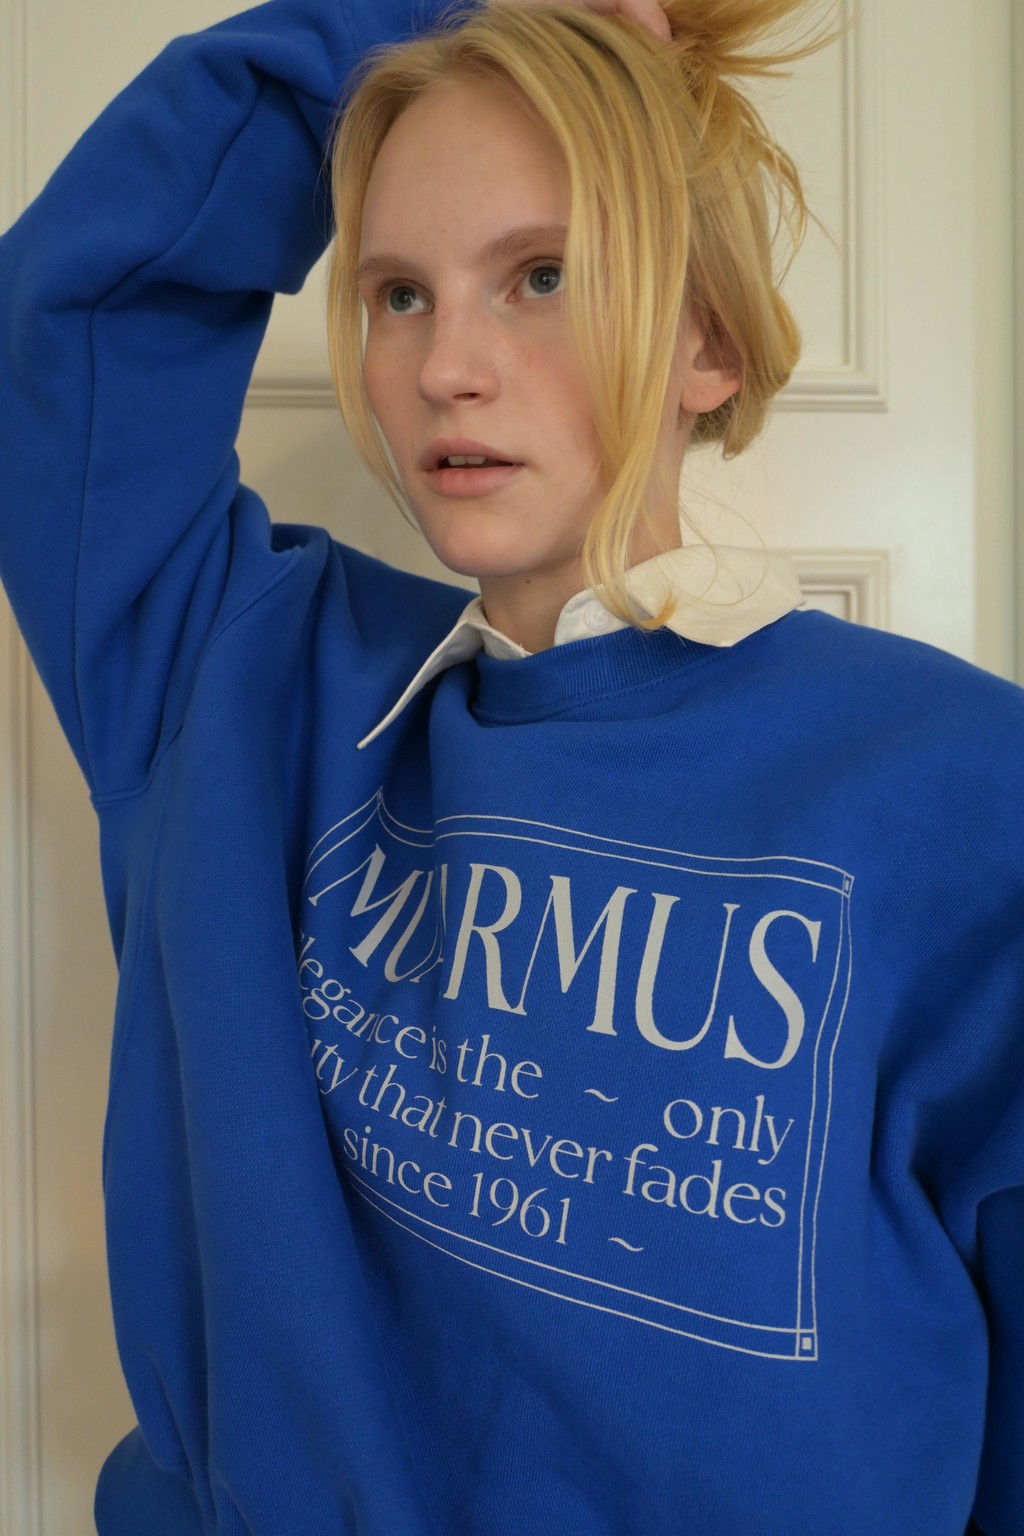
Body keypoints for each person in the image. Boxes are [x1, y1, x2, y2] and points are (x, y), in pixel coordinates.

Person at [0, 0, 1020, 1530]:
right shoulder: (232, 683)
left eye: (541, 276)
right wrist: (443, 10)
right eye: (399, 293)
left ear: (707, 339)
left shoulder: (967, 788)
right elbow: (74, 317)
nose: (446, 367)